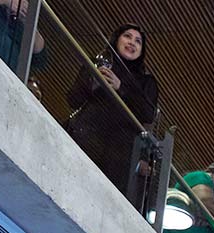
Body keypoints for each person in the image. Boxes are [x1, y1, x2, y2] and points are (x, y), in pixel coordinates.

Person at [65, 24, 158, 206]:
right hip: (87, 136)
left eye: (138, 41)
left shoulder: (146, 81)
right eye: (127, 36)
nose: (132, 43)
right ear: (117, 39)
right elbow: (73, 99)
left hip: (120, 152)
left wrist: (120, 88)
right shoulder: (97, 64)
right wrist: (93, 80)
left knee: (103, 201)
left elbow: (148, 114)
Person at [0, 0, 46, 73]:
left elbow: (40, 57)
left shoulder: (17, 23)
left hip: (3, 77)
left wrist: (28, 21)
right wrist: (7, 1)